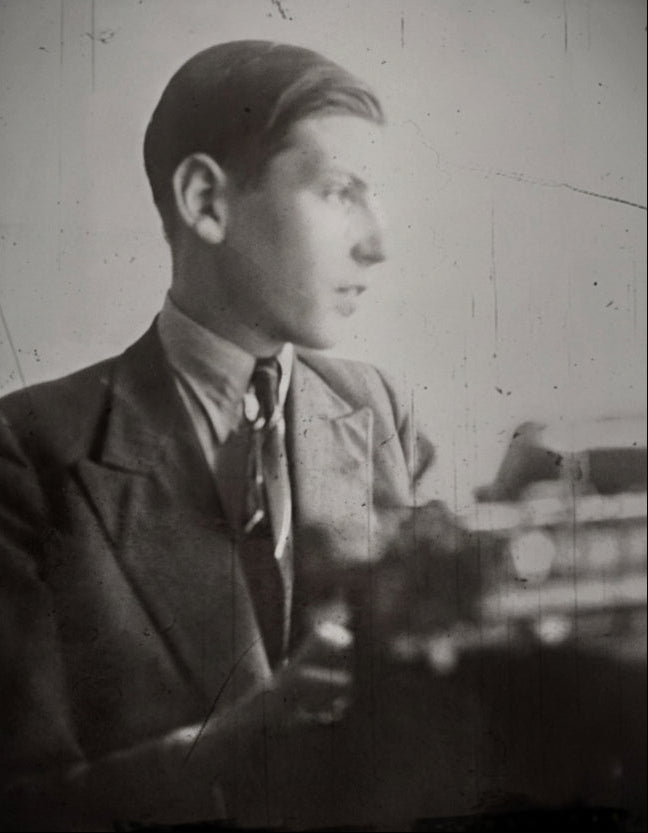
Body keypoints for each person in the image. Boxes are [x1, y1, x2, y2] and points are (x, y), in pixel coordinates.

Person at [0, 41, 439, 830]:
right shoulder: (27, 451)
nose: (378, 242)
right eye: (340, 193)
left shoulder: (378, 409)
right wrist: (243, 739)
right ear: (206, 200)